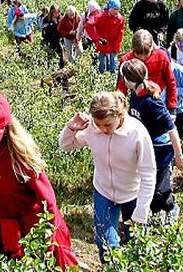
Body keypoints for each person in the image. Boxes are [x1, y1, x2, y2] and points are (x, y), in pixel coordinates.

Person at [0, 93, 78, 271]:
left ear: (6, 129)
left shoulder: (20, 155)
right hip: (0, 225)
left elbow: (47, 200)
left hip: (32, 226)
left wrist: (47, 242)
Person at [59, 91, 156, 263]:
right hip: (103, 192)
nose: (103, 129)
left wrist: (142, 210)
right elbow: (66, 145)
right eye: (99, 124)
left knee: (137, 245)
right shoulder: (92, 128)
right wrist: (71, 128)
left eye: (108, 125)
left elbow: (148, 172)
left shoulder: (136, 133)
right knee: (105, 245)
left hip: (132, 194)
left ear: (120, 114)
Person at [119, 59, 183, 224]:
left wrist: (178, 155)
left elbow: (171, 128)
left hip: (160, 148)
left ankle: (171, 209)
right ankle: (156, 214)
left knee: (159, 187)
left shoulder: (151, 101)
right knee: (145, 183)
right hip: (143, 146)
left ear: (129, 80)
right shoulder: (134, 95)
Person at [116, 30, 178, 117]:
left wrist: (172, 108)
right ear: (133, 49)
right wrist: (119, 108)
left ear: (152, 47)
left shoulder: (162, 56)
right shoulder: (126, 61)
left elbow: (171, 82)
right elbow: (121, 87)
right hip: (136, 101)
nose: (142, 57)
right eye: (138, 54)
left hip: (158, 99)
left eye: (146, 53)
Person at [85, 0, 124, 74]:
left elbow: (120, 33)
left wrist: (116, 46)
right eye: (114, 9)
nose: (116, 11)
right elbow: (88, 25)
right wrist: (97, 38)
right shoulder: (100, 16)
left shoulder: (120, 19)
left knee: (113, 65)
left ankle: (112, 82)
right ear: (110, 8)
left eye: (118, 9)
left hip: (113, 44)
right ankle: (101, 81)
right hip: (102, 44)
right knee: (101, 66)